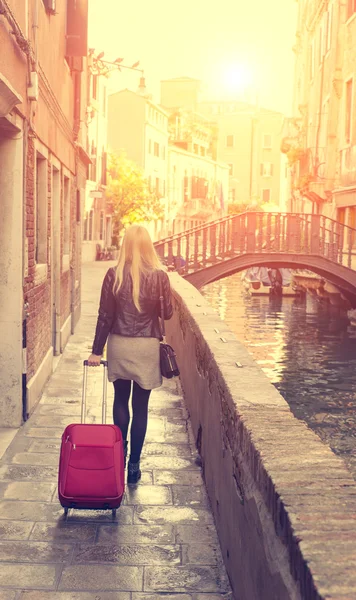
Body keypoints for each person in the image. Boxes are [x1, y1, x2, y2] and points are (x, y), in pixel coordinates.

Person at [87, 225, 173, 484]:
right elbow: (167, 314)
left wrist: (95, 351)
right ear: (149, 247)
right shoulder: (160, 277)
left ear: (125, 245)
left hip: (120, 344)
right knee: (141, 408)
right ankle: (134, 465)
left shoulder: (114, 275)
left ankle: (119, 457)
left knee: (120, 401)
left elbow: (105, 316)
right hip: (146, 346)